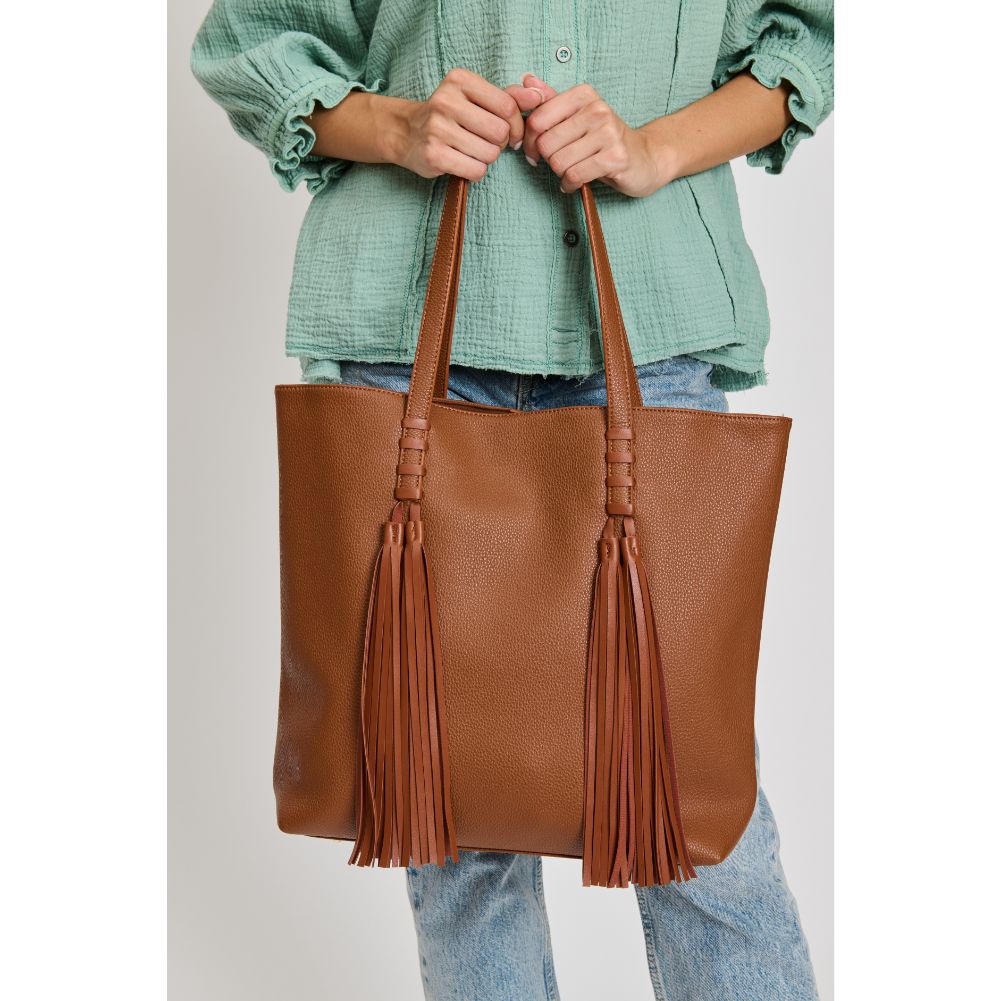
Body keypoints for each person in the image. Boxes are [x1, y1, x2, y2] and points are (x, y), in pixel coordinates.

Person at [192, 2, 833, 997]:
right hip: (409, 335)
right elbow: (249, 38)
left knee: (696, 815)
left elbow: (810, 37)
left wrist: (654, 148)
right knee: (455, 829)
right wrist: (399, 126)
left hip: (652, 330)